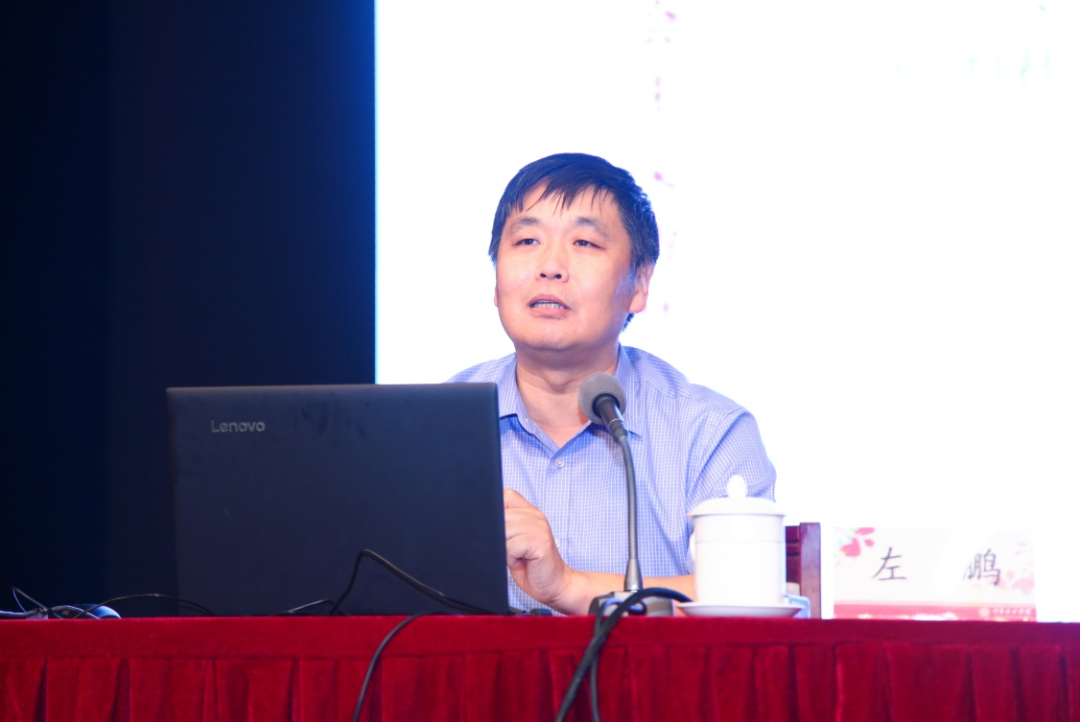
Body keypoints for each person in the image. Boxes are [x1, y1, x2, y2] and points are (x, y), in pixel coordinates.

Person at [450, 153, 775, 614]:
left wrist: (567, 586)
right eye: (526, 240)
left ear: (640, 283)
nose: (550, 265)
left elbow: (747, 596)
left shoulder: (711, 432)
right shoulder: (432, 428)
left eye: (584, 242)